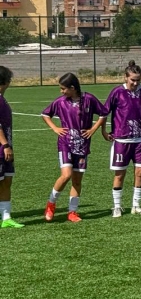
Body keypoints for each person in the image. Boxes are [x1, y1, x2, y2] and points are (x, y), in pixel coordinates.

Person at [42, 73, 108, 222]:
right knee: (66, 175)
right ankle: (51, 204)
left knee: (77, 180)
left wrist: (94, 129)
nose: (61, 92)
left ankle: (72, 212)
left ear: (73, 88)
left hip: (82, 145)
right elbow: (45, 114)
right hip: (65, 143)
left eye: (63, 89)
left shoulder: (89, 99)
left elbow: (103, 113)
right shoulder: (60, 102)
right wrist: (55, 128)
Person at [101, 60, 141, 217]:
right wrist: (104, 131)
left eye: (138, 80)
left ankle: (136, 205)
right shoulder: (117, 92)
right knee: (120, 174)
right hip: (122, 140)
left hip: (140, 140)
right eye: (133, 80)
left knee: (140, 172)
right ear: (125, 77)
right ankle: (117, 206)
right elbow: (105, 112)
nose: (136, 83)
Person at [0, 66, 21, 228]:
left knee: (7, 180)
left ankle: (6, 217)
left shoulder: (2, 98)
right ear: (6, 82)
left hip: (6, 147)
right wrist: (6, 145)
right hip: (2, 147)